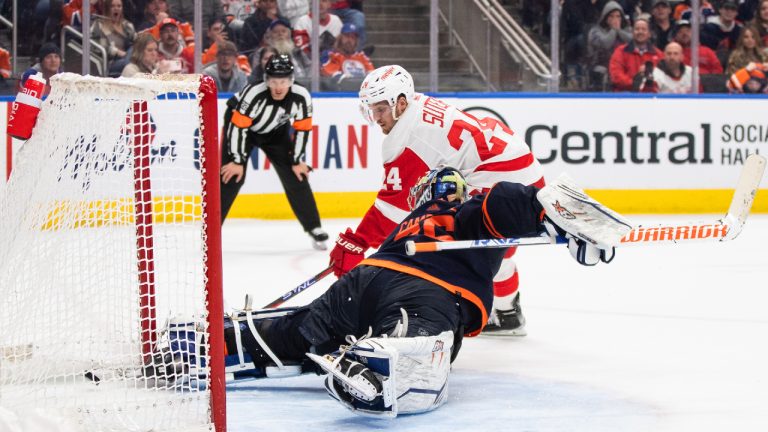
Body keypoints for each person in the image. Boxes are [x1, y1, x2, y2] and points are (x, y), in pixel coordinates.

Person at [155, 167, 620, 417]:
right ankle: (385, 360)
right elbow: (507, 201)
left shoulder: (410, 219)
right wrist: (559, 220)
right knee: (414, 332)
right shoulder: (468, 211)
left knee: (301, 329)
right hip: (428, 290)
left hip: (364, 281)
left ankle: (205, 341)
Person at [328, 65, 545, 336]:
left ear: (401, 103)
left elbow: (392, 209)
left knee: (456, 253)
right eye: (372, 110)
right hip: (521, 168)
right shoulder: (416, 106)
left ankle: (441, 325)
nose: (377, 117)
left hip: (501, 178)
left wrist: (357, 241)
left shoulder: (408, 141)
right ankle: (508, 314)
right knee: (488, 248)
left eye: (381, 109)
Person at [220, 54, 329, 249]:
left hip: (275, 132)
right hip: (242, 128)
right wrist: (237, 160)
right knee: (231, 176)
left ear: (292, 80)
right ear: (266, 80)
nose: (279, 87)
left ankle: (314, 227)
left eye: (284, 81)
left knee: (297, 176)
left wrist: (296, 160)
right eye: (274, 81)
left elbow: (303, 129)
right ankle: (211, 229)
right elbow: (238, 127)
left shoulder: (301, 97)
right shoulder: (255, 93)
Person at [587, 1, 632, 91]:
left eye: (618, 16)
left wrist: (618, 30)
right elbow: (605, 44)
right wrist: (613, 30)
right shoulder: (595, 31)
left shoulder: (627, 30)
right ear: (605, 17)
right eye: (611, 16)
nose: (615, 19)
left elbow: (632, 42)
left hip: (623, 67)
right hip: (602, 66)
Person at [609, 16, 663, 91]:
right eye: (637, 29)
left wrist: (648, 84)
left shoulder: (658, 54)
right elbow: (616, 76)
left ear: (649, 34)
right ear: (632, 32)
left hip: (651, 97)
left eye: (644, 29)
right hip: (626, 96)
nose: (640, 32)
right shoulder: (620, 51)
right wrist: (635, 84)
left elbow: (663, 78)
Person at [320, 23, 374, 90]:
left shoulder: (362, 56)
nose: (349, 40)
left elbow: (372, 75)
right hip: (343, 95)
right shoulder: (332, 55)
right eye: (347, 36)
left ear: (356, 41)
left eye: (353, 37)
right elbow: (333, 75)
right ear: (340, 37)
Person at [91, 0, 137, 76]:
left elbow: (137, 41)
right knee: (131, 65)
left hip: (128, 58)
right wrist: (116, 51)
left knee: (134, 50)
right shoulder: (99, 24)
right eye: (112, 6)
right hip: (109, 63)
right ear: (106, 8)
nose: (116, 8)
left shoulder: (127, 25)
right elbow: (94, 46)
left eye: (119, 6)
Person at [702, 1, 742, 68]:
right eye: (726, 8)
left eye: (733, 9)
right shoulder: (708, 28)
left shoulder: (738, 30)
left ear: (736, 13)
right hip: (711, 62)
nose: (729, 12)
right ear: (720, 10)